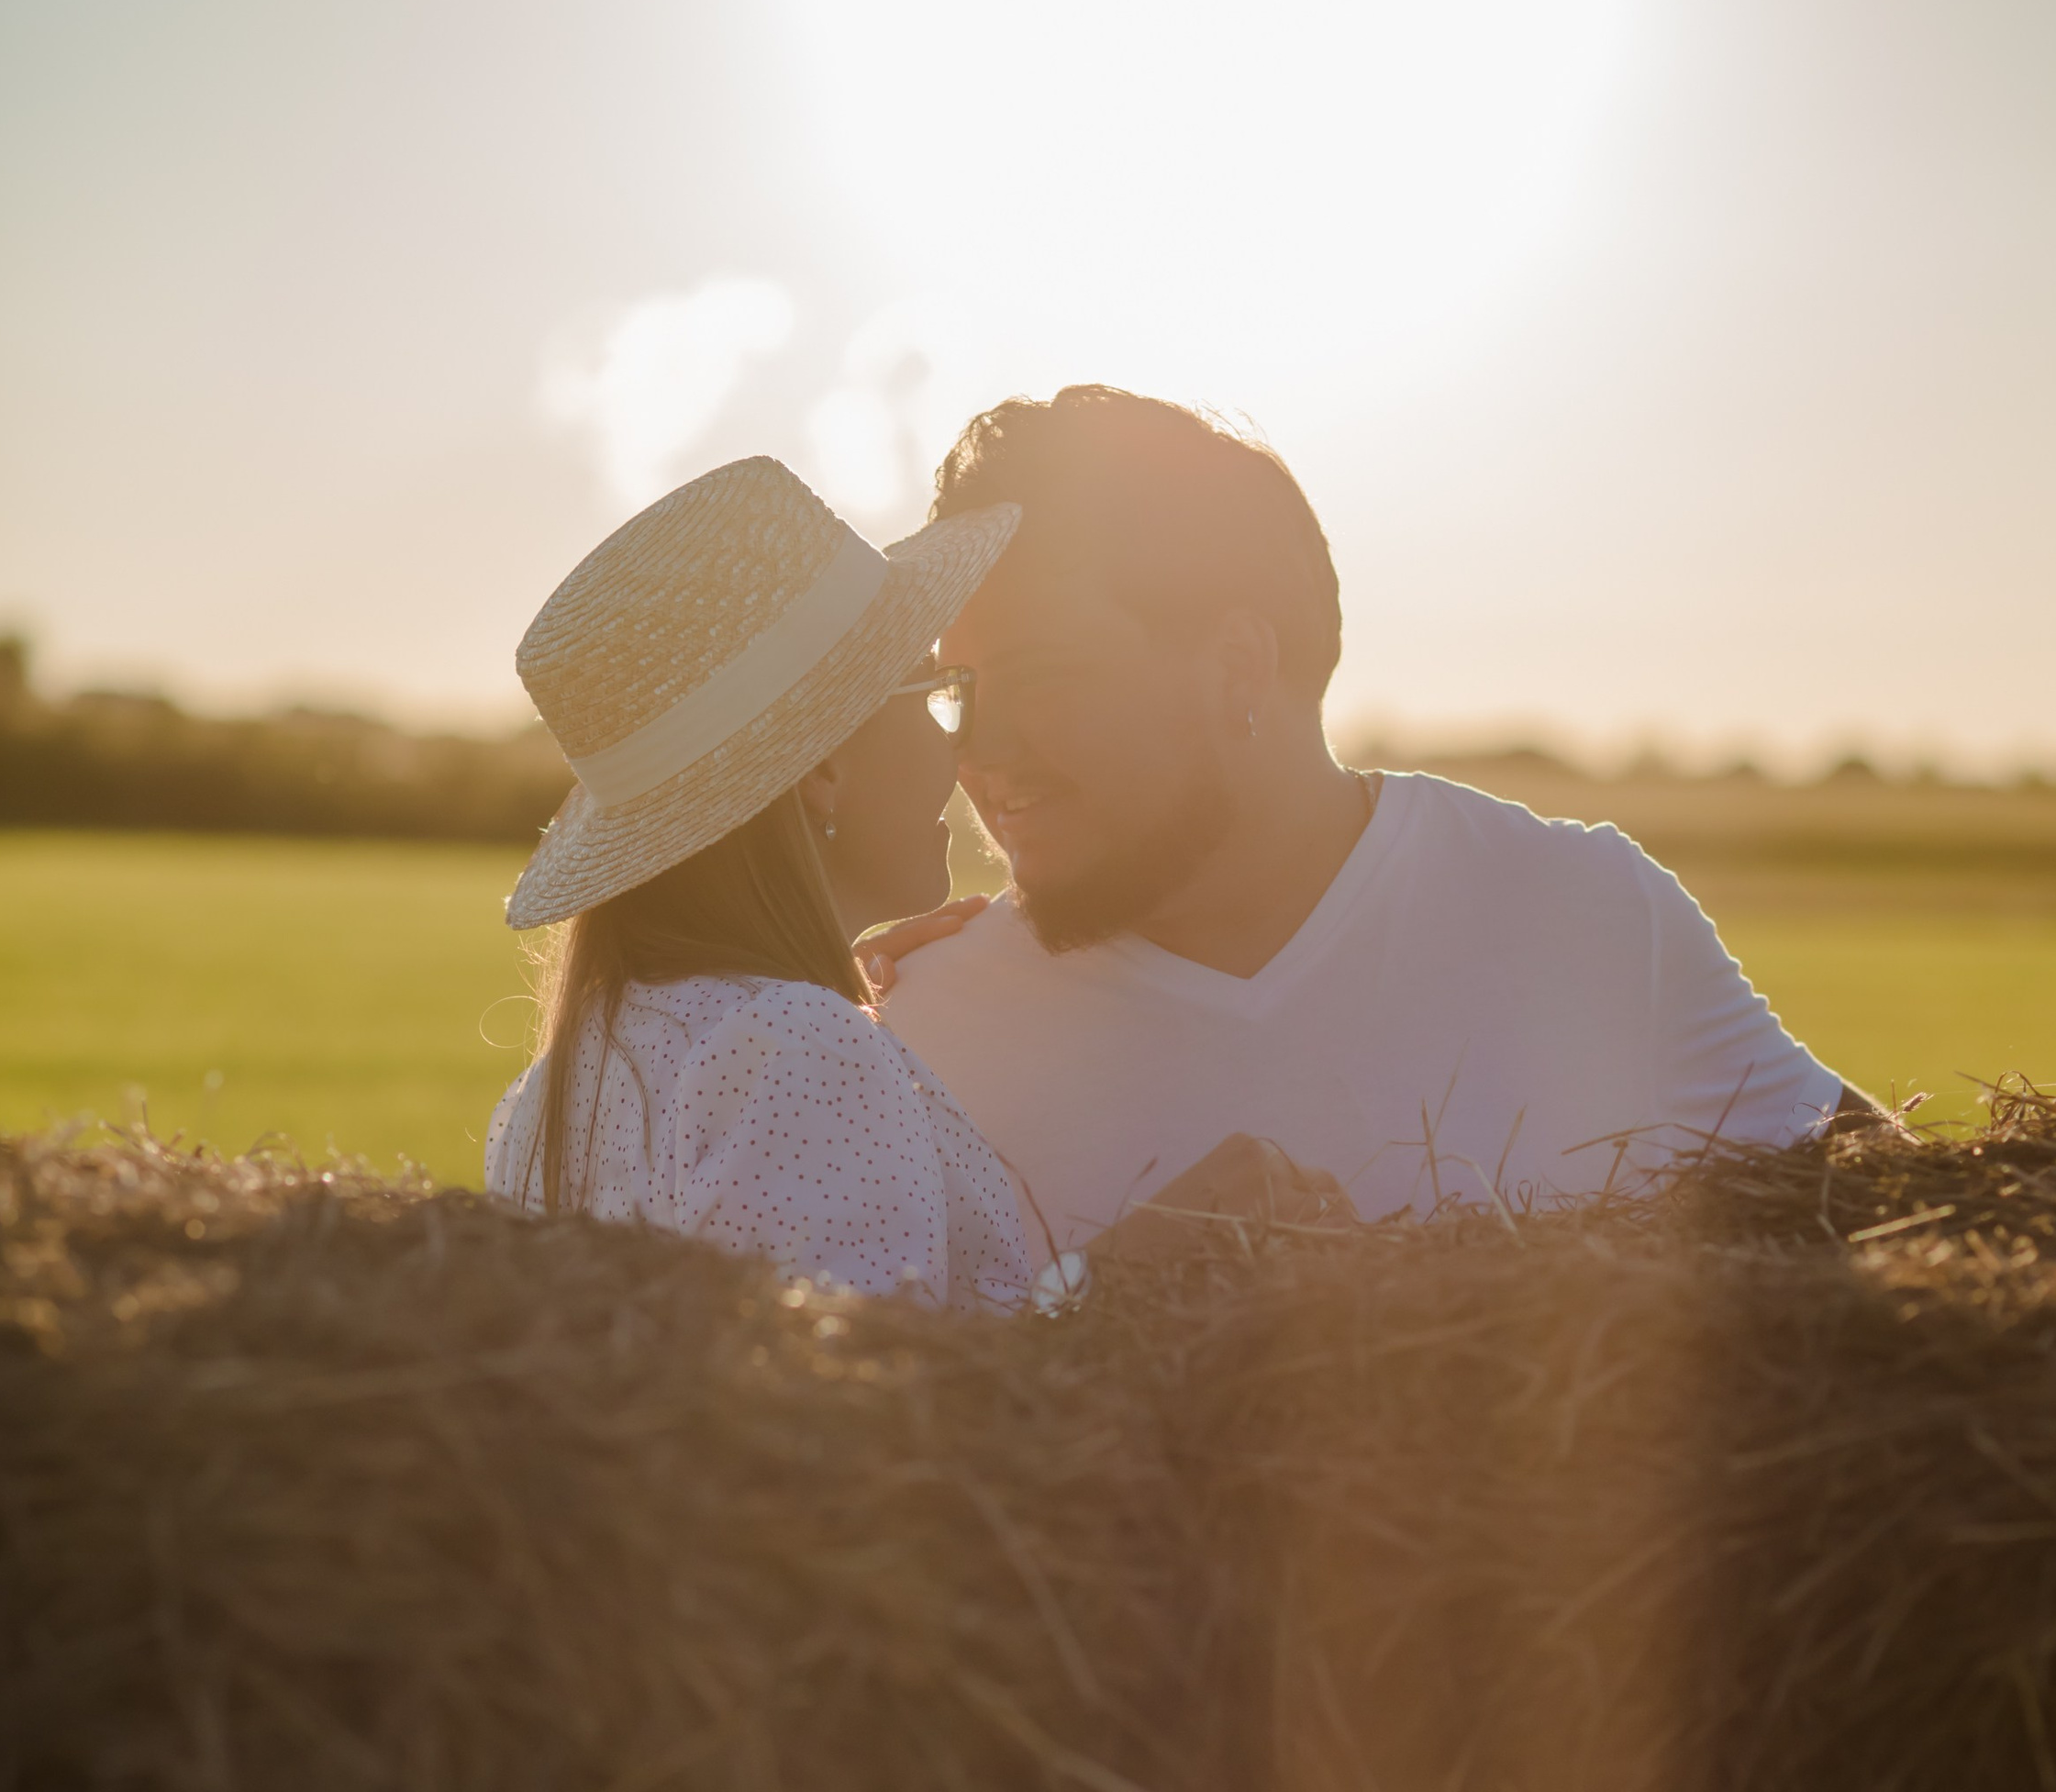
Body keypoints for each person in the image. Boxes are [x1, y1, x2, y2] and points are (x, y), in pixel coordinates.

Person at [872, 386, 1872, 1265]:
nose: (977, 750)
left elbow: (1902, 1226)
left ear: (1235, 667)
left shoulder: (1585, 914)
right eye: (961, 688)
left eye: (1044, 675)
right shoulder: (917, 1040)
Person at [485, 454, 1339, 1298]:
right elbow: (866, 1403)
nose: (961, 745)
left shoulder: (550, 1094)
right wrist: (1124, 1269)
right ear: (824, 772)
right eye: (932, 691)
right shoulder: (798, 1050)